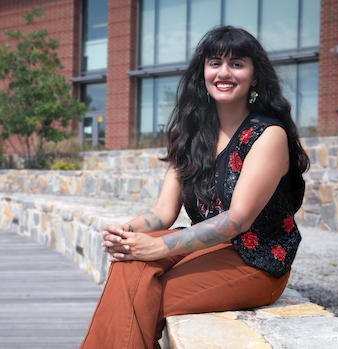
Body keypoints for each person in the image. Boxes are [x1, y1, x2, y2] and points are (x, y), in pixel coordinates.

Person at [79, 26, 309, 349]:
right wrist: (125, 231)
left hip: (258, 262)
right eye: (215, 62)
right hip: (209, 250)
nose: (224, 72)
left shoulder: (268, 136)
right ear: (203, 72)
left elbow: (237, 220)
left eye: (237, 64)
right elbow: (163, 212)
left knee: (140, 296)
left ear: (255, 76)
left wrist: (158, 248)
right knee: (130, 267)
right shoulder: (189, 134)